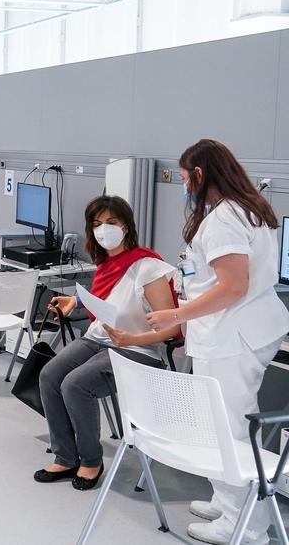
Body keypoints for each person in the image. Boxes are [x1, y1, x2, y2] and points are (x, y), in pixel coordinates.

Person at [146, 139, 289, 545]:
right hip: (240, 331)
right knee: (225, 423)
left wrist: (176, 315)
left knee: (229, 428)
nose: (183, 183)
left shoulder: (226, 217)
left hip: (232, 335)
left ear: (201, 173)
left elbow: (232, 287)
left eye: (185, 175)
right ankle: (229, 503)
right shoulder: (248, 208)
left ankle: (245, 527)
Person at [33, 195, 179, 491]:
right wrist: (75, 301)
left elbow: (172, 327)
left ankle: (91, 461)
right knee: (49, 375)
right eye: (97, 224)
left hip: (136, 349)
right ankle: (65, 456)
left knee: (75, 384)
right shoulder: (106, 263)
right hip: (99, 340)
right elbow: (107, 299)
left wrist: (132, 338)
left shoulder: (148, 268)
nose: (103, 229)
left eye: (111, 222)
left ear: (126, 225)